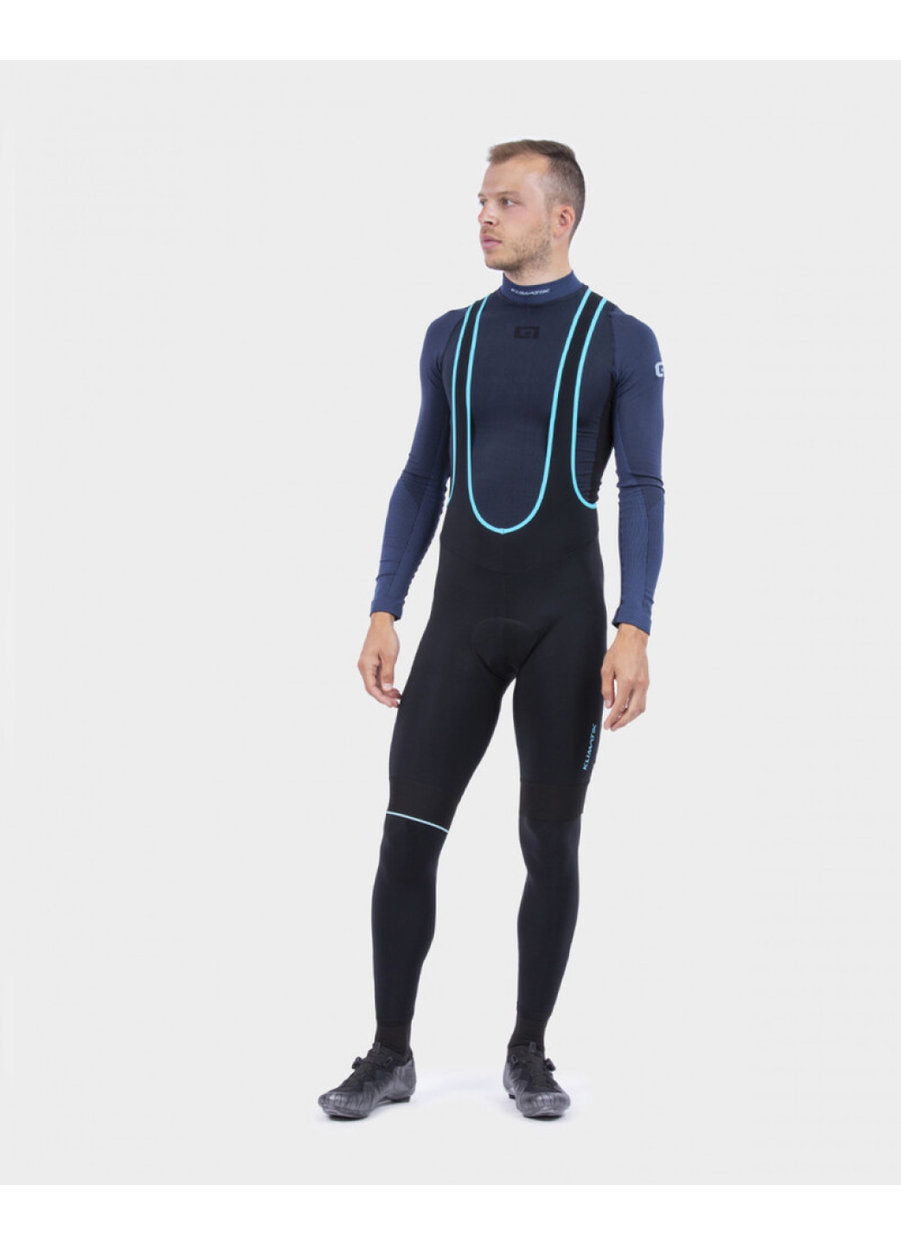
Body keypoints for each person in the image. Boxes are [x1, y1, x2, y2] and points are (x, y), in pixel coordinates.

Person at [318, 139, 665, 1121]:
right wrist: (384, 605)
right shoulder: (451, 336)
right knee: (407, 834)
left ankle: (528, 1050)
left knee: (549, 842)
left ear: (561, 217)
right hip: (459, 623)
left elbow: (642, 487)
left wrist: (634, 627)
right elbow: (420, 476)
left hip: (566, 626)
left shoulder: (619, 338)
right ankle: (389, 1053)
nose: (484, 216)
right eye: (480, 200)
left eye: (506, 201)